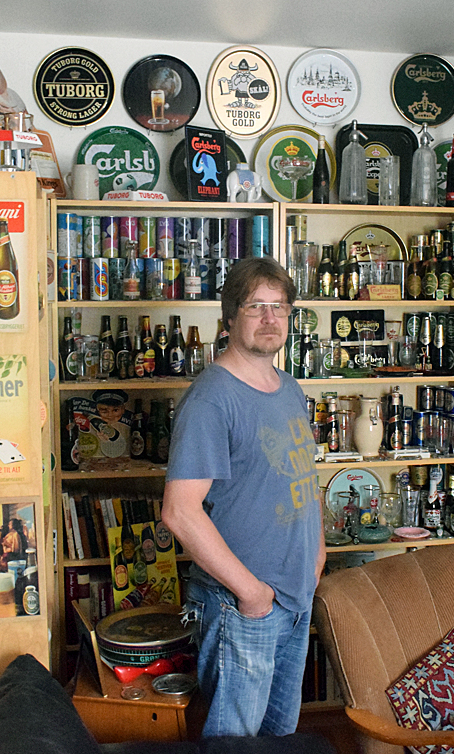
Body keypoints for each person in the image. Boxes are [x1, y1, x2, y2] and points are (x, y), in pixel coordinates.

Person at [163, 258, 322, 737]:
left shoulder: (288, 387)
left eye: (279, 307)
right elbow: (179, 512)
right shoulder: (212, 399)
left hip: (294, 597)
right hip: (242, 606)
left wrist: (317, 556)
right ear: (230, 318)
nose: (270, 318)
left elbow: (302, 475)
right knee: (234, 742)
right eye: (256, 306)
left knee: (278, 738)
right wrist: (252, 595)